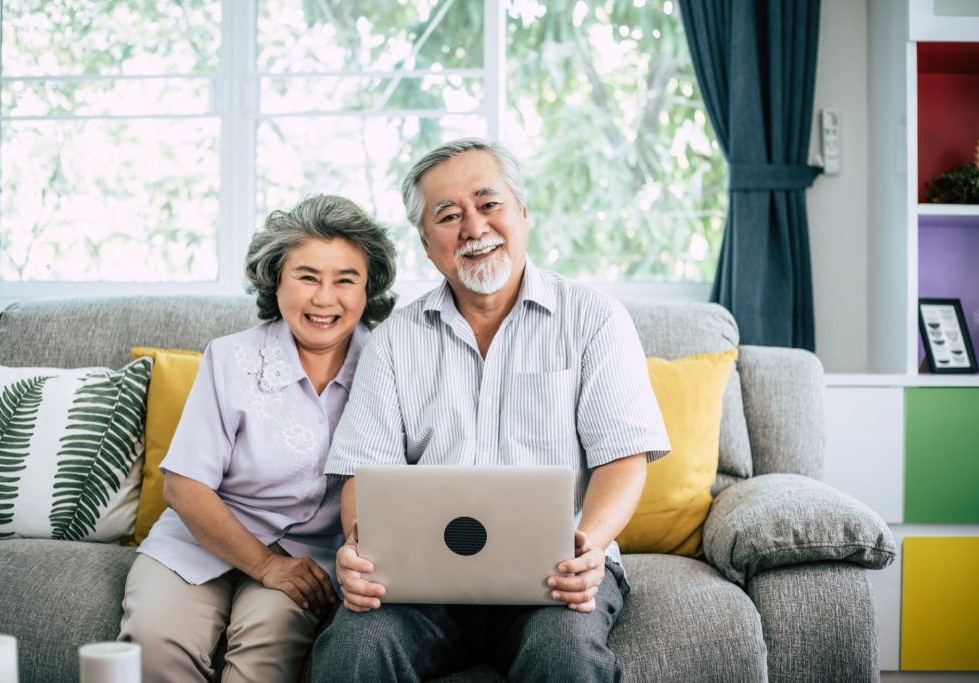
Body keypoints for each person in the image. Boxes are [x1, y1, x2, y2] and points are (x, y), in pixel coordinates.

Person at [311, 139, 671, 682]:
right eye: (448, 215)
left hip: (554, 576)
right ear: (428, 244)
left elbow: (624, 458)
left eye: (489, 204)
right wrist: (360, 551)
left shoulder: (595, 319)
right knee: (352, 650)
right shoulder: (393, 341)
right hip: (419, 584)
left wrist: (589, 548)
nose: (474, 228)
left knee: (565, 654)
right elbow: (365, 474)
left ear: (524, 214)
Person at [118, 195, 396, 683]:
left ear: (368, 288)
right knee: (155, 643)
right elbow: (184, 487)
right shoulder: (229, 358)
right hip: (200, 540)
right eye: (307, 276)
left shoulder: (389, 368)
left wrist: (283, 570)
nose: (325, 298)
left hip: (309, 560)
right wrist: (264, 564)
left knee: (265, 652)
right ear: (276, 280)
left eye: (345, 279)